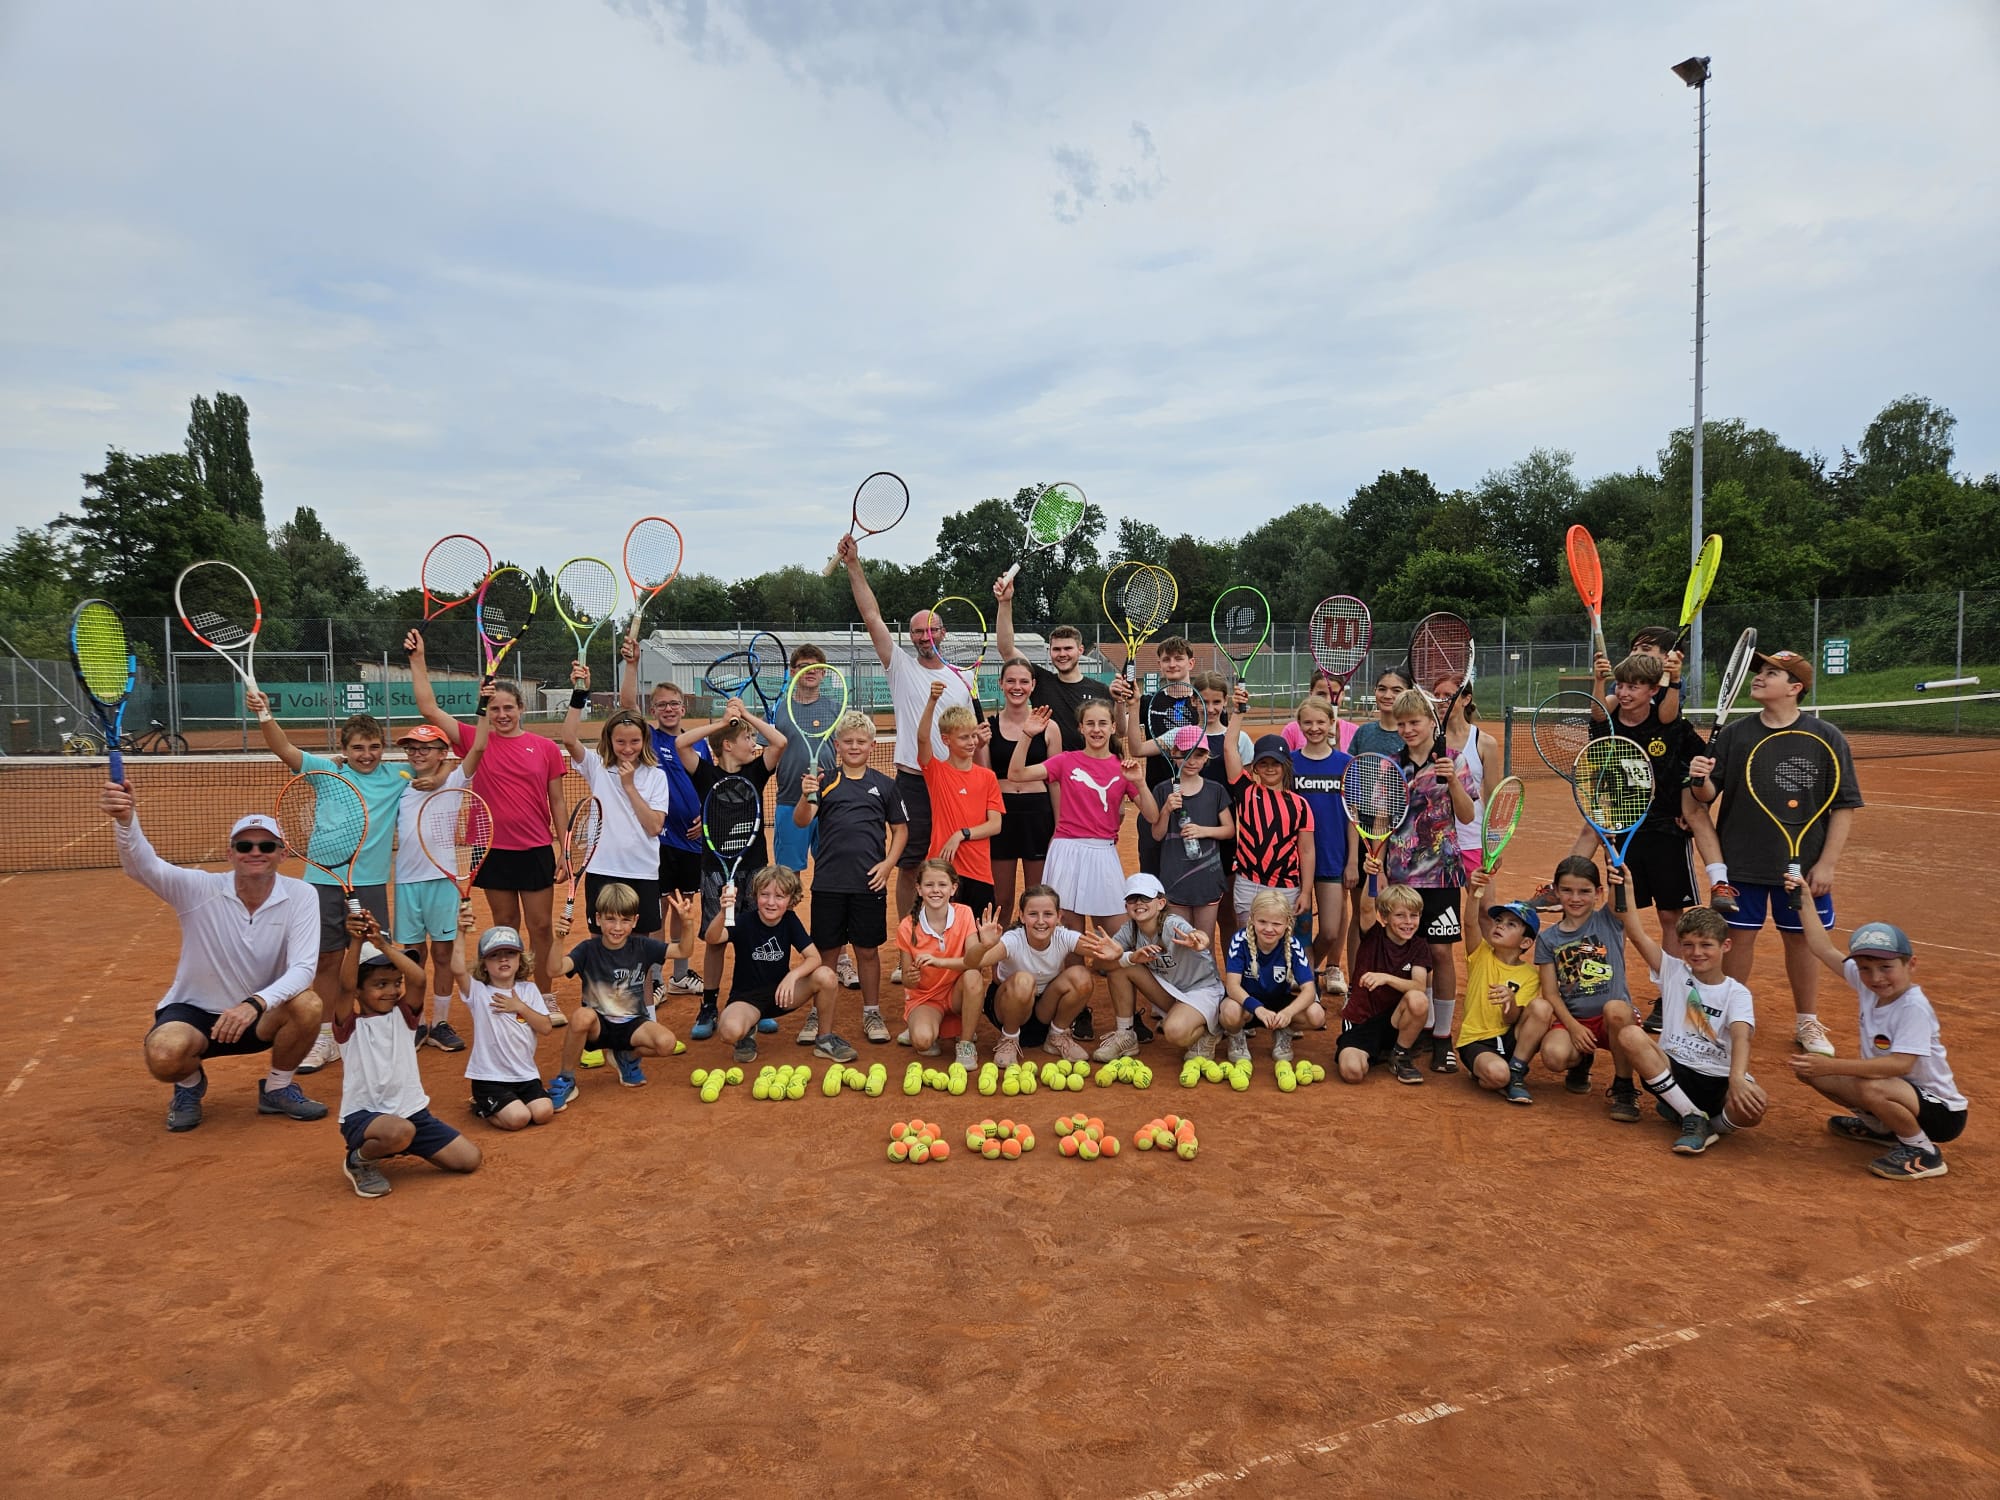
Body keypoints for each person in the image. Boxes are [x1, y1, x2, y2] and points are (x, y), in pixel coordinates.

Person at [105, 783, 328, 1131]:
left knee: (310, 1004)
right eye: (245, 845)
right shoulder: (198, 888)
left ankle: (277, 1089)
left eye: (266, 845)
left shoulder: (301, 895)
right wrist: (125, 822)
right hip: (195, 1014)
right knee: (163, 1055)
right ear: (231, 853)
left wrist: (254, 1004)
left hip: (261, 1014)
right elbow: (143, 867)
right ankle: (190, 1086)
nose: (256, 852)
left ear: (283, 854)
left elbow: (303, 968)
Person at [1687, 647, 1864, 1057]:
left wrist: (1827, 864)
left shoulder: (1826, 737)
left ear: (1795, 688)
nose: (1760, 677)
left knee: (1801, 941)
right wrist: (1699, 779)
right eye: (1760, 671)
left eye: (1772, 673)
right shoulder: (1736, 734)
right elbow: (1709, 794)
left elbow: (1844, 806)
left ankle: (1807, 1021)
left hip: (1802, 868)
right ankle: (1732, 1018)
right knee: (1738, 939)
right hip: (1742, 862)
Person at [407, 631, 569, 1027]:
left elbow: (558, 801)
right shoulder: (472, 740)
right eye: (494, 707)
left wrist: (563, 847)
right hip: (492, 849)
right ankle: (506, 994)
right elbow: (428, 709)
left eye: (508, 707)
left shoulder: (544, 748)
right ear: (486, 709)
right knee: (505, 926)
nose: (502, 714)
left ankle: (545, 995)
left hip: (534, 849)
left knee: (542, 925)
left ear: (521, 708)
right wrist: (418, 659)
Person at [243, 689, 407, 1072]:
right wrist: (265, 714)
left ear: (382, 747)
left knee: (375, 958)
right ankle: (325, 1037)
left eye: (373, 747)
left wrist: (442, 774)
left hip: (369, 882)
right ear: (344, 749)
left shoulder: (397, 777)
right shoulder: (326, 772)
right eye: (358, 748)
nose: (366, 755)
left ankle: (372, 1030)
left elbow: (436, 766)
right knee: (327, 959)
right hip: (322, 879)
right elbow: (284, 748)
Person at [1561, 653, 1708, 1036]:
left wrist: (1688, 803)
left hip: (1665, 833)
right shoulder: (1607, 723)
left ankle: (1670, 994)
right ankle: (1613, 992)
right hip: (1621, 831)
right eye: (1620, 686)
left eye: (1634, 686)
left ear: (1652, 690)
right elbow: (1596, 717)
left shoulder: (1670, 724)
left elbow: (1703, 762)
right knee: (1617, 919)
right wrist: (1599, 682)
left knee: (1670, 917)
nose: (1624, 693)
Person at [840, 536, 975, 951]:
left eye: (931, 629)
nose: (924, 635)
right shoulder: (898, 665)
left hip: (954, 782)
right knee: (910, 865)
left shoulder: (963, 677)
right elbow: (871, 613)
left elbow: (971, 735)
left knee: (955, 862)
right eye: (917, 631)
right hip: (914, 781)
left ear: (943, 632)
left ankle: (952, 939)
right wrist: (853, 565)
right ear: (911, 637)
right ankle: (910, 944)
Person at [1788, 886, 1967, 1180]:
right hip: (1898, 1092)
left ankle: (1923, 1150)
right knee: (1811, 1071)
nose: (1876, 977)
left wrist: (1832, 1065)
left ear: (1911, 964)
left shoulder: (1913, 1007)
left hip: (1941, 1113)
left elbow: (1899, 1065)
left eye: (1886, 967)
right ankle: (1882, 1128)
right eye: (1865, 968)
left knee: (1871, 1085)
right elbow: (1821, 947)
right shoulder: (1866, 985)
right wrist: (1805, 899)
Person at [330, 911, 482, 1199]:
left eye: (395, 983)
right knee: (399, 1132)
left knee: (468, 1159)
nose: (391, 991)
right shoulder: (349, 1026)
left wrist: (383, 945)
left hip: (412, 1114)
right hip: (364, 1117)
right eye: (379, 984)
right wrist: (356, 942)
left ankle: (402, 1141)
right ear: (360, 992)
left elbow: (419, 981)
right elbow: (345, 986)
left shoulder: (404, 1015)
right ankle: (359, 1159)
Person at [1609, 891, 1766, 1156]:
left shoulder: (1736, 993)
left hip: (1718, 1078)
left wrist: (1737, 1077)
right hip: (1676, 1070)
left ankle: (1702, 1121)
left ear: (1725, 946)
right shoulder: (1672, 971)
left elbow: (1742, 1037)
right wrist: (1626, 884)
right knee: (1631, 1035)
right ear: (1680, 946)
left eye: (1706, 945)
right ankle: (1692, 1116)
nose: (1696, 952)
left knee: (1755, 1108)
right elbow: (1635, 932)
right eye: (1688, 945)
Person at [795, 710, 908, 1047]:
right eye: (848, 741)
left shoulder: (885, 785)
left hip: (868, 883)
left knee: (868, 951)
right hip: (829, 882)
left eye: (861, 741)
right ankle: (818, 1013)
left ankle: (871, 1011)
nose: (855, 746)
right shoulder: (824, 781)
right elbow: (803, 821)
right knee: (827, 952)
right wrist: (806, 794)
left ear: (873, 745)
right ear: (837, 745)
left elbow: (900, 831)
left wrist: (888, 865)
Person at [676, 695, 786, 1040]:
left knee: (753, 937)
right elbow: (681, 742)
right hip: (715, 871)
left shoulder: (758, 771)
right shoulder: (704, 773)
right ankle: (709, 1004)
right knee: (716, 940)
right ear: (727, 744)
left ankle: (757, 1003)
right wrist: (724, 722)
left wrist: (747, 717)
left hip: (754, 871)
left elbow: (780, 741)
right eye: (747, 739)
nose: (754, 744)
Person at [1378, 688, 1474, 1072]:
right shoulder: (1388, 766)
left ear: (1430, 722)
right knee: (1408, 956)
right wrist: (1381, 867)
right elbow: (1382, 822)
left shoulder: (1453, 762)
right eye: (1401, 724)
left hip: (1443, 874)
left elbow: (1466, 816)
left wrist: (1451, 782)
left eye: (1413, 722)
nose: (1406, 730)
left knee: (1439, 954)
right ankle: (1417, 1027)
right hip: (1401, 875)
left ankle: (1442, 1037)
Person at [1006, 700, 1157, 932]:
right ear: (1081, 728)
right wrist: (1027, 735)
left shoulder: (1123, 768)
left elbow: (1152, 815)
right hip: (1067, 850)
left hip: (1104, 853)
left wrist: (1139, 782)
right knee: (1070, 938)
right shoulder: (1066, 760)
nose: (1096, 729)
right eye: (1090, 723)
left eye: (1103, 723)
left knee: (1114, 937)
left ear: (1113, 728)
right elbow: (1016, 774)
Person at [544, 883, 695, 1110]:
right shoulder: (588, 949)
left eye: (625, 920)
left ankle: (626, 1057)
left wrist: (688, 924)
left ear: (635, 921)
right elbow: (554, 969)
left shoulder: (643, 946)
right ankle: (566, 1078)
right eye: (611, 919)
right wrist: (558, 939)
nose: (617, 927)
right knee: (581, 1017)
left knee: (667, 1044)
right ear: (598, 918)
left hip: (632, 1025)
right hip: (599, 1026)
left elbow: (683, 951)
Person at [618, 638, 708, 998]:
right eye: (661, 705)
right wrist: (632, 665)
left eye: (674, 704)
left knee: (682, 907)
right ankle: (654, 979)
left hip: (692, 840)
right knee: (655, 913)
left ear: (683, 707)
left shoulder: (698, 742)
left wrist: (706, 815)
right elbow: (626, 705)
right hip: (658, 841)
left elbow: (707, 783)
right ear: (653, 710)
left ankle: (681, 976)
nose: (668, 709)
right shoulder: (650, 738)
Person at [1623, 628, 1734, 915]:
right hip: (1643, 769)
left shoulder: (1670, 681)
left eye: (1646, 650)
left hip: (1677, 755)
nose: (1637, 654)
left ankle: (1719, 882)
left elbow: (1665, 716)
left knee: (1694, 811)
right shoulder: (1628, 681)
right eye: (1634, 649)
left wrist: (1672, 676)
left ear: (1669, 657)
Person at [387, 721, 482, 1053]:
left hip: (443, 879)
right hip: (407, 882)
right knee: (413, 956)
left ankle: (439, 1021)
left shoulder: (455, 778)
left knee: (443, 954)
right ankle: (416, 1021)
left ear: (443, 753)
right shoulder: (398, 781)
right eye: (412, 748)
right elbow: (363, 769)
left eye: (425, 748)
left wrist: (443, 774)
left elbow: (478, 749)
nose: (416, 754)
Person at [558, 667, 671, 936]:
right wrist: (579, 694)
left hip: (642, 870)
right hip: (601, 868)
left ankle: (645, 982)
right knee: (602, 944)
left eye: (634, 741)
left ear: (644, 740)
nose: (628, 748)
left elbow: (655, 826)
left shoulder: (656, 777)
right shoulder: (596, 766)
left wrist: (629, 786)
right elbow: (568, 739)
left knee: (640, 947)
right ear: (610, 740)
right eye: (620, 741)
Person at [1534, 855, 1642, 1121]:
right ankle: (1581, 1061)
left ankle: (1624, 1086)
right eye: (1567, 891)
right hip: (1576, 1020)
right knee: (1553, 1056)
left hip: (1612, 1020)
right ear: (1556, 891)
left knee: (1617, 1010)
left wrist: (1618, 875)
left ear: (1598, 893)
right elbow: (1550, 993)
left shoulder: (1609, 919)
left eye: (1585, 891)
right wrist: (1573, 1026)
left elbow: (1621, 896)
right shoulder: (1548, 939)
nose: (1576, 898)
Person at [1079, 872, 1227, 1063]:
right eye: (1132, 899)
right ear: (1126, 906)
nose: (1139, 903)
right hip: (1170, 990)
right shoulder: (1129, 930)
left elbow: (1197, 936)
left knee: (1174, 1032)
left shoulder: (1172, 924)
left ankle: (1210, 1033)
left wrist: (1200, 940)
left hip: (1201, 990)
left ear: (1161, 903)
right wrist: (1130, 957)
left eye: (1146, 897)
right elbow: (1102, 965)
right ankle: (1126, 1035)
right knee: (1121, 966)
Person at [708, 865, 842, 1066]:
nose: (771, 902)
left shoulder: (789, 920)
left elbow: (814, 958)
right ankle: (747, 1031)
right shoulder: (745, 921)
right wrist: (722, 912)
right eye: (765, 895)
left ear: (790, 900)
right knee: (729, 1032)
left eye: (779, 896)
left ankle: (824, 1039)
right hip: (747, 1000)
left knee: (827, 976)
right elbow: (713, 938)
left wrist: (792, 976)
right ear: (756, 896)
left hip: (782, 994)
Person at [896, 858, 1000, 1069]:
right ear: (918, 889)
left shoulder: (964, 913)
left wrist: (984, 945)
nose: (936, 890)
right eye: (929, 885)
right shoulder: (906, 926)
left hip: (956, 994)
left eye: (942, 885)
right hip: (926, 998)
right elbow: (908, 981)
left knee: (973, 976)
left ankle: (965, 1043)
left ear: (953, 888)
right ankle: (926, 1025)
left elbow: (972, 961)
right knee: (924, 1043)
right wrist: (911, 977)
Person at [1454, 883, 1551, 1105]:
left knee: (1543, 1008)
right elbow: (1470, 923)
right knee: (1498, 1075)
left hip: (1509, 1040)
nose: (1500, 926)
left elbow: (1513, 1019)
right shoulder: (1481, 955)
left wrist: (1510, 1002)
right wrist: (1475, 892)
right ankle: (1495, 1075)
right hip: (1477, 1041)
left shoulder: (1530, 975)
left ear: (1525, 942)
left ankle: (1516, 1070)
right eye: (1498, 921)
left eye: (1511, 924)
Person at [915, 681, 1006, 916]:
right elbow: (923, 739)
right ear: (946, 740)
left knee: (977, 938)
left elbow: (995, 825)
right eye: (964, 737)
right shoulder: (936, 772)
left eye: (973, 736)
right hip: (942, 872)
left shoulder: (987, 777)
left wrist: (961, 834)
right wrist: (932, 701)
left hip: (979, 871)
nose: (972, 743)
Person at [983, 656, 1062, 922]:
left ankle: (1036, 960)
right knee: (1001, 900)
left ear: (1033, 685)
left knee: (1037, 897)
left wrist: (1059, 827)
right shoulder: (988, 728)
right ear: (1001, 684)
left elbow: (1055, 780)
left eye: (1024, 681)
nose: (1017, 687)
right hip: (1001, 817)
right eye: (1011, 681)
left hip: (1038, 816)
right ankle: (998, 963)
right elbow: (985, 779)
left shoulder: (1050, 727)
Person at [992, 575, 1111, 750]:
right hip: (1052, 770)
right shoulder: (1041, 681)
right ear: (1050, 652)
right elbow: (1007, 650)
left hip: (1088, 771)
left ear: (1080, 650)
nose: (1062, 654)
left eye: (1068, 649)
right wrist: (1005, 602)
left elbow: (1118, 733)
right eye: (1056, 649)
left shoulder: (1100, 690)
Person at [1287, 695, 1357, 983]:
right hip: (1295, 860)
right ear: (1299, 725)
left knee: (1329, 931)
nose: (1314, 728)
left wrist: (1352, 860)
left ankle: (1306, 969)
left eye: (1320, 722)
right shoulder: (1290, 763)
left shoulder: (1346, 763)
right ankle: (1305, 984)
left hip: (1332, 857)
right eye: (1307, 722)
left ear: (1332, 723)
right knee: (1300, 929)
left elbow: (1353, 816)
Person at [461, 923, 557, 1131]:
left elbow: (546, 1027)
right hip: (489, 1078)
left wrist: (519, 1007)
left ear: (520, 960)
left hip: (525, 1075)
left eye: (510, 953)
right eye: (495, 955)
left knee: (543, 1112)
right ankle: (482, 1108)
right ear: (484, 964)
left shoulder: (529, 990)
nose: (503, 959)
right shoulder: (478, 991)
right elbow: (456, 969)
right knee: (518, 1118)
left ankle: (505, 1104)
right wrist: (460, 932)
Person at [984, 884, 1094, 1065]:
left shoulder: (1063, 936)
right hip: (1007, 1009)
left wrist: (1121, 955)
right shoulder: (1013, 939)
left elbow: (1101, 954)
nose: (1041, 921)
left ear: (1059, 916)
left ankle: (1056, 1036)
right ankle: (1009, 1038)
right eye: (1033, 914)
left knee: (1081, 976)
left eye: (1048, 914)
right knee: (1024, 981)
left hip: (1045, 1009)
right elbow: (976, 962)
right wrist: (983, 946)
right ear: (1022, 916)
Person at [1120, 633, 1199, 879]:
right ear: (1159, 665)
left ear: (1191, 663)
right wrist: (1123, 703)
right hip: (1154, 794)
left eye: (1179, 658)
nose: (1173, 664)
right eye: (1166, 660)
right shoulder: (1147, 702)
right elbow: (1125, 733)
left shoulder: (1202, 702)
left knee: (1191, 867)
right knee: (1151, 866)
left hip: (1193, 795)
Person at [1336, 882, 1431, 1085]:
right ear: (1384, 917)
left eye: (1414, 915)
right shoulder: (1373, 935)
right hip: (1362, 1021)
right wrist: (1371, 875)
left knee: (1418, 999)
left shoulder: (1419, 946)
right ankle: (1376, 1053)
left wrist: (1385, 978)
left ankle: (1400, 1054)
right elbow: (1365, 908)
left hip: (1395, 1022)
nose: (1408, 922)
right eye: (1400, 915)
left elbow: (1419, 985)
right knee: (1352, 1072)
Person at [1221, 732, 1316, 935]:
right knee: (1248, 939)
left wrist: (1306, 892)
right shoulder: (1245, 791)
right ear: (1254, 766)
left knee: (1279, 941)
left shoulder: (1300, 805)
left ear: (1286, 765)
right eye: (1263, 763)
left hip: (1286, 886)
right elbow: (1229, 747)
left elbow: (1306, 850)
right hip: (1248, 882)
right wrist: (1238, 712)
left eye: (1276, 763)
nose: (1270, 768)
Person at [1220, 888, 1326, 1064]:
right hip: (1246, 1005)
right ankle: (1236, 1034)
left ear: (1287, 923)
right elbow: (1232, 986)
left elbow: (1309, 990)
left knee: (1317, 1015)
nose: (1269, 929)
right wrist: (1258, 1009)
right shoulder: (1240, 940)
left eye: (1276, 924)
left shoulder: (1293, 944)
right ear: (1252, 918)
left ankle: (1284, 1031)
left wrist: (1288, 1013)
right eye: (1262, 921)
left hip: (1278, 1004)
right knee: (1230, 1011)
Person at [1150, 736, 1232, 943]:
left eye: (1198, 755)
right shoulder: (1162, 790)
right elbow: (1157, 834)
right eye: (1185, 754)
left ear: (1206, 758)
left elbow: (1230, 830)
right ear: (1174, 755)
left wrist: (1202, 831)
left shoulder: (1215, 790)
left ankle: (1209, 977)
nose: (1191, 761)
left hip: (1207, 880)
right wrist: (1167, 809)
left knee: (1204, 943)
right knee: (1180, 943)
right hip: (1175, 880)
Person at [770, 643, 838, 878]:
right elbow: (766, 753)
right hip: (789, 799)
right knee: (788, 875)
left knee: (830, 869)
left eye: (815, 667)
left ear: (824, 672)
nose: (809, 671)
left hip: (829, 800)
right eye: (803, 666)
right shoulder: (778, 709)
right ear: (792, 672)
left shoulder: (836, 708)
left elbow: (850, 750)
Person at [1280, 669, 1358, 752]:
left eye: (1334, 694)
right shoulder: (1291, 731)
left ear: (1342, 695)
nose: (1328, 700)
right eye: (1321, 694)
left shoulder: (1356, 732)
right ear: (1311, 694)